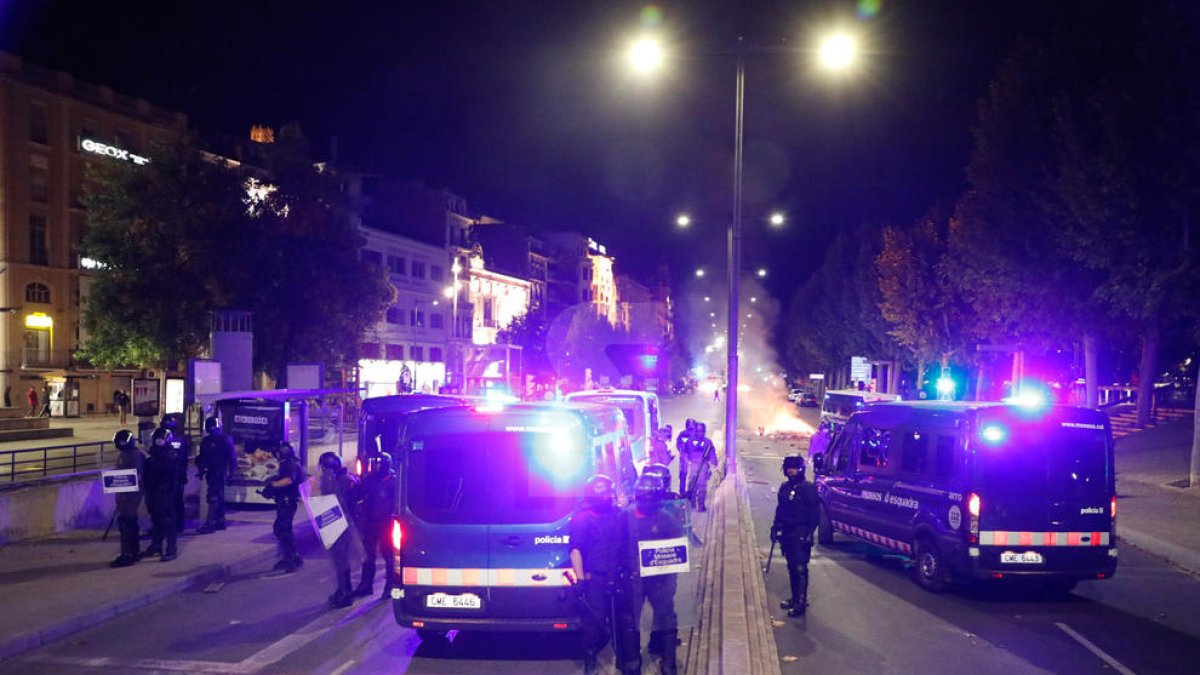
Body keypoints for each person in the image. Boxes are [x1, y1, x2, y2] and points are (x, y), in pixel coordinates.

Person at [569, 475, 628, 675]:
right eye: (606, 494)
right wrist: (579, 579)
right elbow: (576, 549)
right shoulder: (582, 519)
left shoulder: (619, 514)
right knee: (593, 622)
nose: (610, 497)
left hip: (619, 574)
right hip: (595, 576)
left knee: (622, 618)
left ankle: (624, 657)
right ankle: (590, 656)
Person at [627, 471, 681, 675]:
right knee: (630, 619)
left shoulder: (668, 519)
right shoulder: (627, 516)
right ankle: (631, 662)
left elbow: (676, 552)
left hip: (660, 578)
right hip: (633, 578)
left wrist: (670, 582)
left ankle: (668, 662)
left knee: (666, 617)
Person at [770, 455, 820, 617]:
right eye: (789, 468)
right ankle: (795, 597)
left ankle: (801, 602)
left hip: (801, 531)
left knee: (800, 568)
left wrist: (810, 533)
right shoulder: (784, 487)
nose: (791, 471)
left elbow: (814, 512)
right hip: (787, 531)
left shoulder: (808, 488)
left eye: (794, 468)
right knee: (791, 566)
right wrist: (775, 526)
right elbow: (781, 508)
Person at [319, 451, 361, 608]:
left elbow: (332, 500)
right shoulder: (346, 478)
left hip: (340, 524)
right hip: (345, 523)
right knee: (340, 559)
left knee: (340, 559)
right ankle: (344, 588)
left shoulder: (336, 482)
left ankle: (345, 593)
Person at [353, 452, 397, 598]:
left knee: (388, 555)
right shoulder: (369, 480)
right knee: (368, 555)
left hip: (387, 522)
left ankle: (390, 585)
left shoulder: (393, 481)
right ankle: (366, 584)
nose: (376, 466)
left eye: (378, 464)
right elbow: (357, 494)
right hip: (371, 521)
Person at [264, 441, 304, 573]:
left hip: (288, 502)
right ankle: (292, 556)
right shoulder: (289, 463)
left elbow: (289, 480)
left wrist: (273, 485)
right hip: (285, 501)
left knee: (281, 529)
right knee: (284, 529)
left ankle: (291, 558)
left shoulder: (290, 464)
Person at [142, 427, 180, 562]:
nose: (159, 442)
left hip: (166, 491)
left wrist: (149, 460)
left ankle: (171, 549)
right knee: (156, 520)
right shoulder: (152, 452)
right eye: (157, 439)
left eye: (161, 439)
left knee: (168, 521)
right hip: (152, 491)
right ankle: (156, 546)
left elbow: (166, 471)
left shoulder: (170, 454)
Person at [110, 429, 145, 568]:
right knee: (129, 521)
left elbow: (134, 476)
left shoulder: (133, 456)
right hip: (126, 493)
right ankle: (133, 551)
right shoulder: (127, 454)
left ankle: (128, 554)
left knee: (126, 522)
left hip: (130, 495)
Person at [196, 416, 237, 533]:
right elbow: (202, 457)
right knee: (218, 496)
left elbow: (232, 458)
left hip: (219, 471)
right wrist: (200, 470)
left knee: (213, 496)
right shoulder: (207, 441)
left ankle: (211, 523)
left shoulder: (224, 440)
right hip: (211, 471)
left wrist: (231, 474)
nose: (212, 430)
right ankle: (220, 521)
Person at [158, 416, 189, 533]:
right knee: (162, 502)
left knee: (177, 501)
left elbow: (182, 459)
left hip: (176, 476)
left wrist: (181, 477)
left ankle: (178, 525)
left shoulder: (179, 439)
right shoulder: (159, 438)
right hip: (164, 476)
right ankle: (164, 525)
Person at [685, 422, 717, 512]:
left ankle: (695, 504)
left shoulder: (692, 440)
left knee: (696, 485)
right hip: (700, 466)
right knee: (698, 486)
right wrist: (714, 465)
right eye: (699, 431)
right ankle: (698, 505)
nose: (700, 433)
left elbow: (685, 452)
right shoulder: (706, 441)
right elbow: (712, 455)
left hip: (700, 466)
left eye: (701, 431)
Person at [676, 419, 696, 499]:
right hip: (690, 458)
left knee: (684, 476)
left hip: (685, 457)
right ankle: (691, 493)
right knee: (692, 476)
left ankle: (682, 493)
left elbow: (678, 445)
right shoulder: (696, 435)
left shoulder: (682, 434)